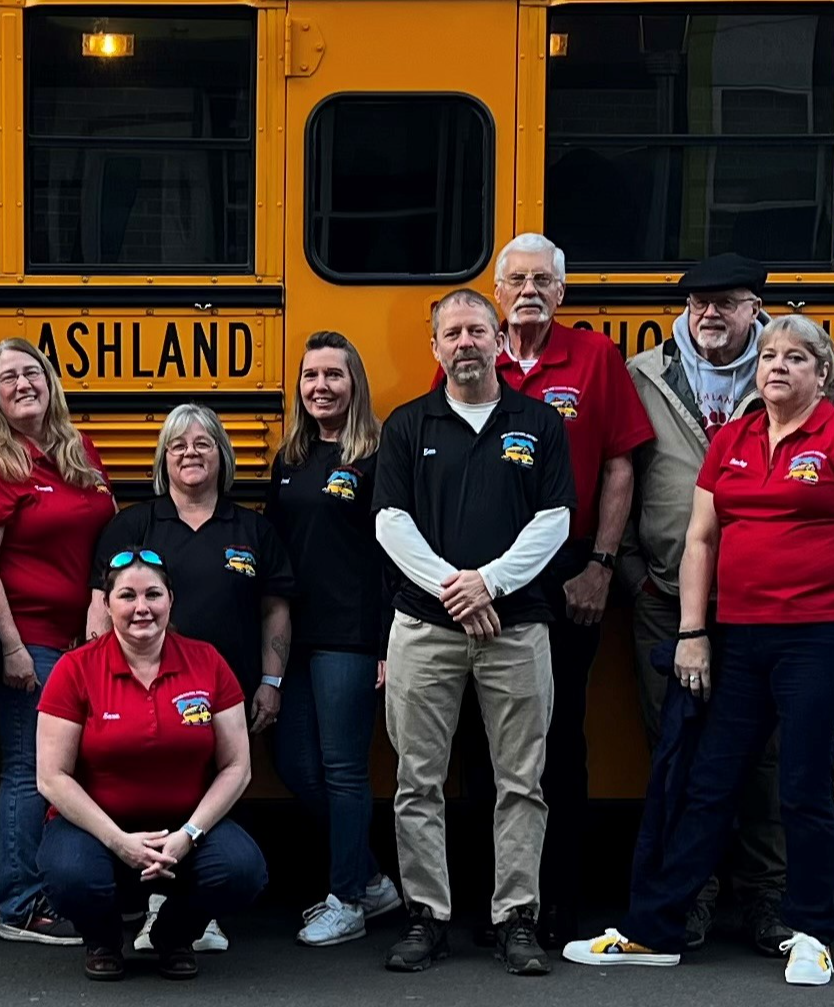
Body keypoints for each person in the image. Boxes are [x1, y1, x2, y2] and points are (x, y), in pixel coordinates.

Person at [564, 315, 834, 987]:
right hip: (737, 635)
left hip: (824, 637)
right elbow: (701, 538)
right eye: (768, 356)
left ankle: (811, 932)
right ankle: (657, 929)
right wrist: (695, 632)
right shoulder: (732, 437)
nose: (777, 366)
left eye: (796, 357)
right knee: (705, 782)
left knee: (803, 786)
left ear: (825, 373)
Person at [373, 288, 573, 976]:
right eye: (452, 332)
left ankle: (516, 918)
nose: (464, 341)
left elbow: (555, 520)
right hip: (423, 626)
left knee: (522, 781)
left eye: (476, 330)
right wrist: (457, 589)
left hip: (517, 627)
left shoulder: (539, 422)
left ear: (499, 342)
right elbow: (390, 522)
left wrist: (491, 582)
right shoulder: (406, 424)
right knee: (416, 780)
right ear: (435, 347)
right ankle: (427, 918)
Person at [617, 253, 787, 953]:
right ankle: (691, 894)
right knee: (678, 750)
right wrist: (630, 572)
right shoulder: (644, 373)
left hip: (765, 601)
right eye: (697, 302)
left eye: (725, 301)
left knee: (767, 754)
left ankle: (767, 897)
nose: (709, 313)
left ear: (755, 307)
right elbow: (618, 470)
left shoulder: (790, 367)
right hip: (663, 594)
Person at [488, 234, 654, 946]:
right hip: (487, 573)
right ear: (498, 292)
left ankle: (559, 900)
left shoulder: (594, 358)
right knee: (485, 739)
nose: (529, 290)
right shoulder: (471, 353)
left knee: (558, 734)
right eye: (516, 279)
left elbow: (620, 464)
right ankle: (494, 902)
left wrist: (602, 565)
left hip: (570, 569)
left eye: (542, 280)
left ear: (562, 292)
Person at [89, 403, 292, 955]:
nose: (190, 453)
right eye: (178, 445)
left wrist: (271, 681)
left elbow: (275, 609)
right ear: (163, 458)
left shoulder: (252, 527)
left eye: (203, 444)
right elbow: (99, 606)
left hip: (226, 695)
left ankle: (199, 915)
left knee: (222, 789)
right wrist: (91, 677)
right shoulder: (135, 524)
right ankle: (142, 900)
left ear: (223, 456)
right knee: (149, 787)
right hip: (142, 691)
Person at [35, 550, 266, 982]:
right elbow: (51, 775)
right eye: (127, 596)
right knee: (71, 874)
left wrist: (189, 835)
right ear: (106, 605)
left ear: (171, 601)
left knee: (242, 870)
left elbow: (237, 767)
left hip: (185, 828)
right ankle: (103, 939)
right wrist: (118, 840)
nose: (141, 607)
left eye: (153, 594)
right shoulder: (75, 668)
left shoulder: (207, 661)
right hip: (96, 830)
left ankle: (173, 936)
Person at [0, 337, 114, 947]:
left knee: (73, 767)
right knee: (30, 768)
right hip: (30, 640)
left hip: (84, 641)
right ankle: (20, 903)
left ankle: (66, 889)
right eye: (8, 379)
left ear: (50, 381)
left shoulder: (77, 451)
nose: (23, 384)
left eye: (32, 373)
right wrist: (13, 648)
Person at [263, 331, 401, 946]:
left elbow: (395, 557)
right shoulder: (288, 459)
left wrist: (387, 642)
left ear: (355, 384)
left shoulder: (377, 455)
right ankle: (371, 879)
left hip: (350, 634)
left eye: (334, 376)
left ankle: (346, 899)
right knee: (294, 763)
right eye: (311, 375)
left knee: (344, 769)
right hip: (292, 634)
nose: (321, 386)